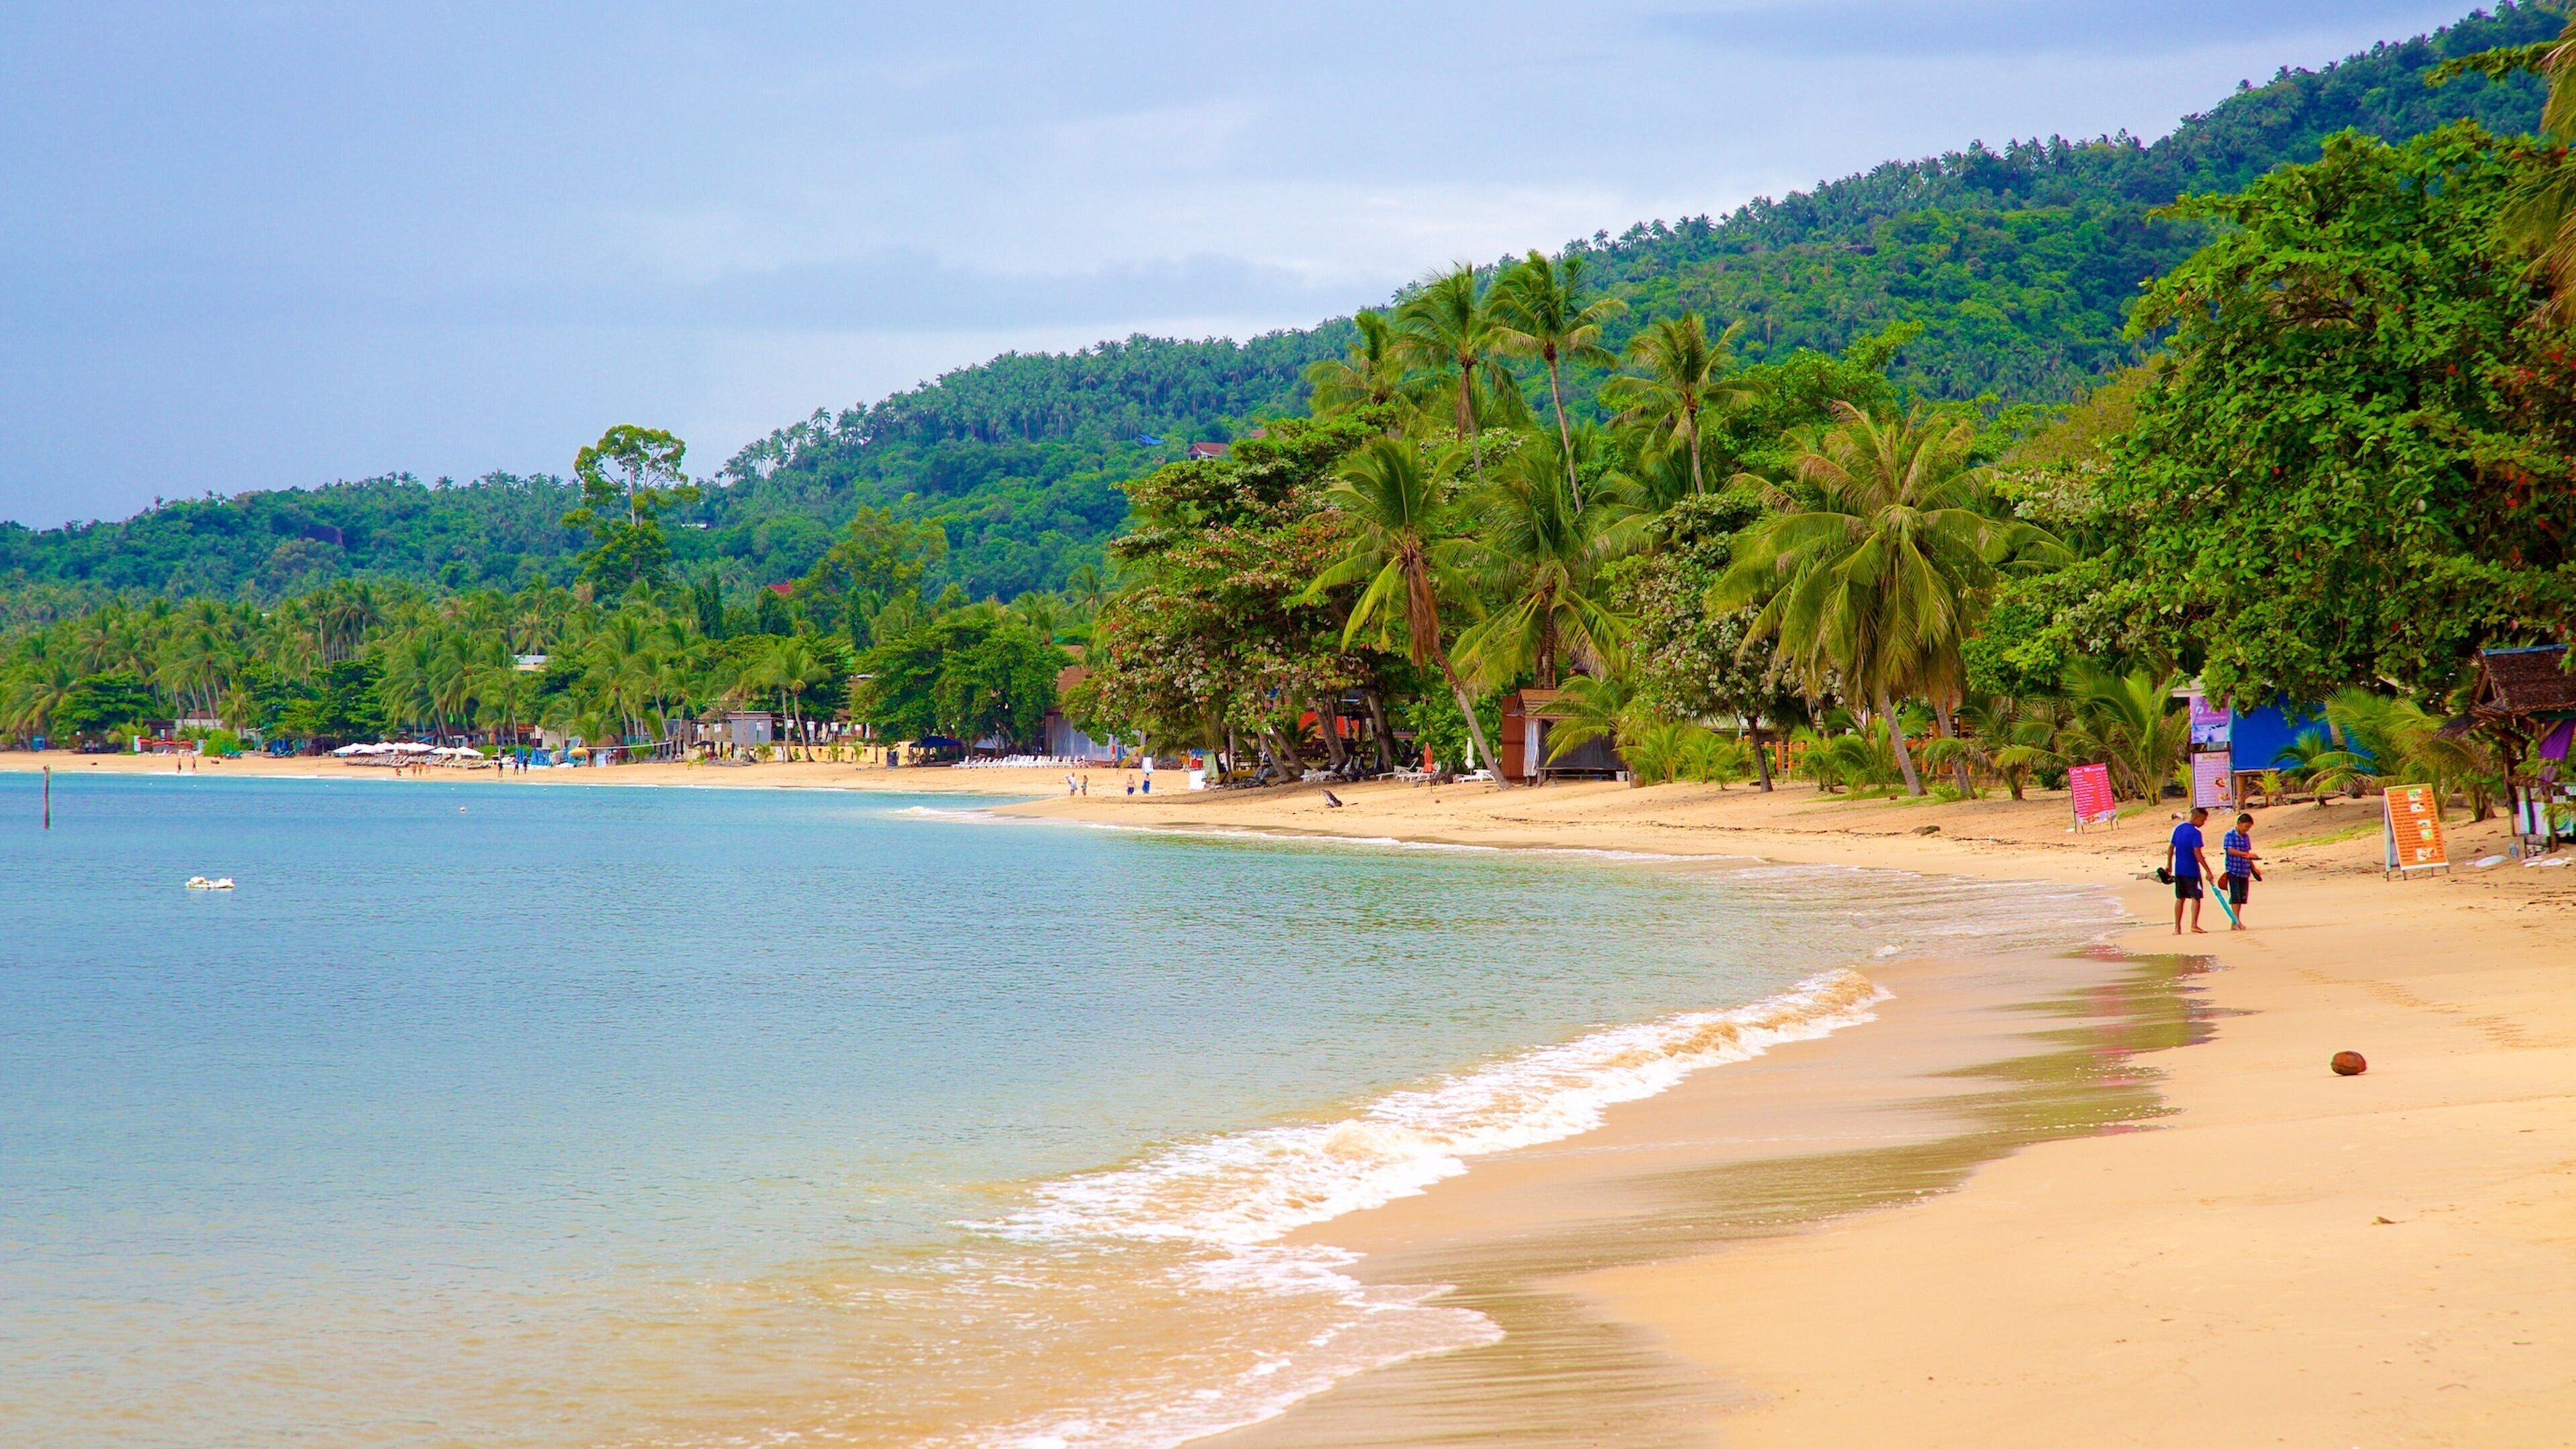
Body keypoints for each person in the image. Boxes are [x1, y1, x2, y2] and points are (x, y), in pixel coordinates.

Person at [2168, 806, 2214, 934]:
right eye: (2203, 820)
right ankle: (2194, 925)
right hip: (2192, 871)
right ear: (2195, 817)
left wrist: (2169, 865)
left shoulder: (2178, 829)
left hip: (2179, 870)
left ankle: (2177, 928)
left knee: (2180, 897)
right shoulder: (2195, 833)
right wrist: (2208, 871)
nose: (2203, 823)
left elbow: (2171, 848)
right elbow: (2197, 853)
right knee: (2196, 897)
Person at [2222, 812, 2263, 930]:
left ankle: (2236, 921)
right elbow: (2230, 851)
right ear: (2239, 824)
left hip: (2244, 870)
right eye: (2246, 827)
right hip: (2233, 869)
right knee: (2235, 897)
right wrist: (2247, 854)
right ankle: (2235, 922)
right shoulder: (2229, 835)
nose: (2247, 830)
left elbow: (2248, 854)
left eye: (2249, 828)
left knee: (2241, 897)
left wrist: (2253, 868)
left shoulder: (2246, 837)